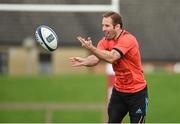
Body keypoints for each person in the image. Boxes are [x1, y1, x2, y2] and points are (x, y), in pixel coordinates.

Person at [69, 11, 148, 123]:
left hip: (137, 93)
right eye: (102, 25)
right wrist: (85, 61)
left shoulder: (128, 39)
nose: (103, 29)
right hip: (119, 93)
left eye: (107, 25)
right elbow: (97, 57)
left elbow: (112, 57)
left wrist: (91, 48)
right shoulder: (105, 41)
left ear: (117, 26)